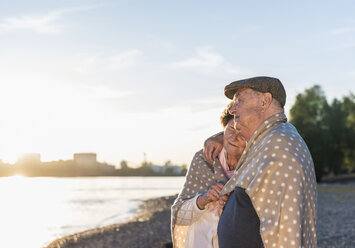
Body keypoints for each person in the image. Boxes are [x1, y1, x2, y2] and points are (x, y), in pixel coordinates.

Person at [204, 76, 317, 248]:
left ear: (265, 101)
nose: (232, 110)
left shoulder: (280, 145)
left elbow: (286, 233)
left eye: (239, 101)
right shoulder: (270, 140)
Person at [171, 103, 246, 248]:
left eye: (242, 133)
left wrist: (231, 200)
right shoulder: (204, 159)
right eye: (230, 129)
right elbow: (179, 216)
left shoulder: (256, 163)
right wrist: (203, 199)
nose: (234, 138)